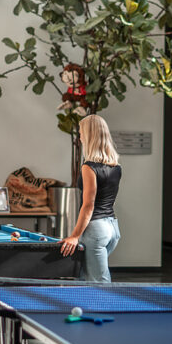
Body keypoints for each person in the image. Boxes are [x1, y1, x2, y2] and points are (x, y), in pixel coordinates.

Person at [61, 114, 121, 282]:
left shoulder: (89, 167)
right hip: (112, 228)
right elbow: (110, 199)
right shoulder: (116, 167)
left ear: (88, 135)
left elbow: (88, 205)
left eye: (81, 132)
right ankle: (89, 309)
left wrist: (74, 236)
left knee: (98, 282)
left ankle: (107, 309)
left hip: (96, 229)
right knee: (86, 278)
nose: (80, 136)